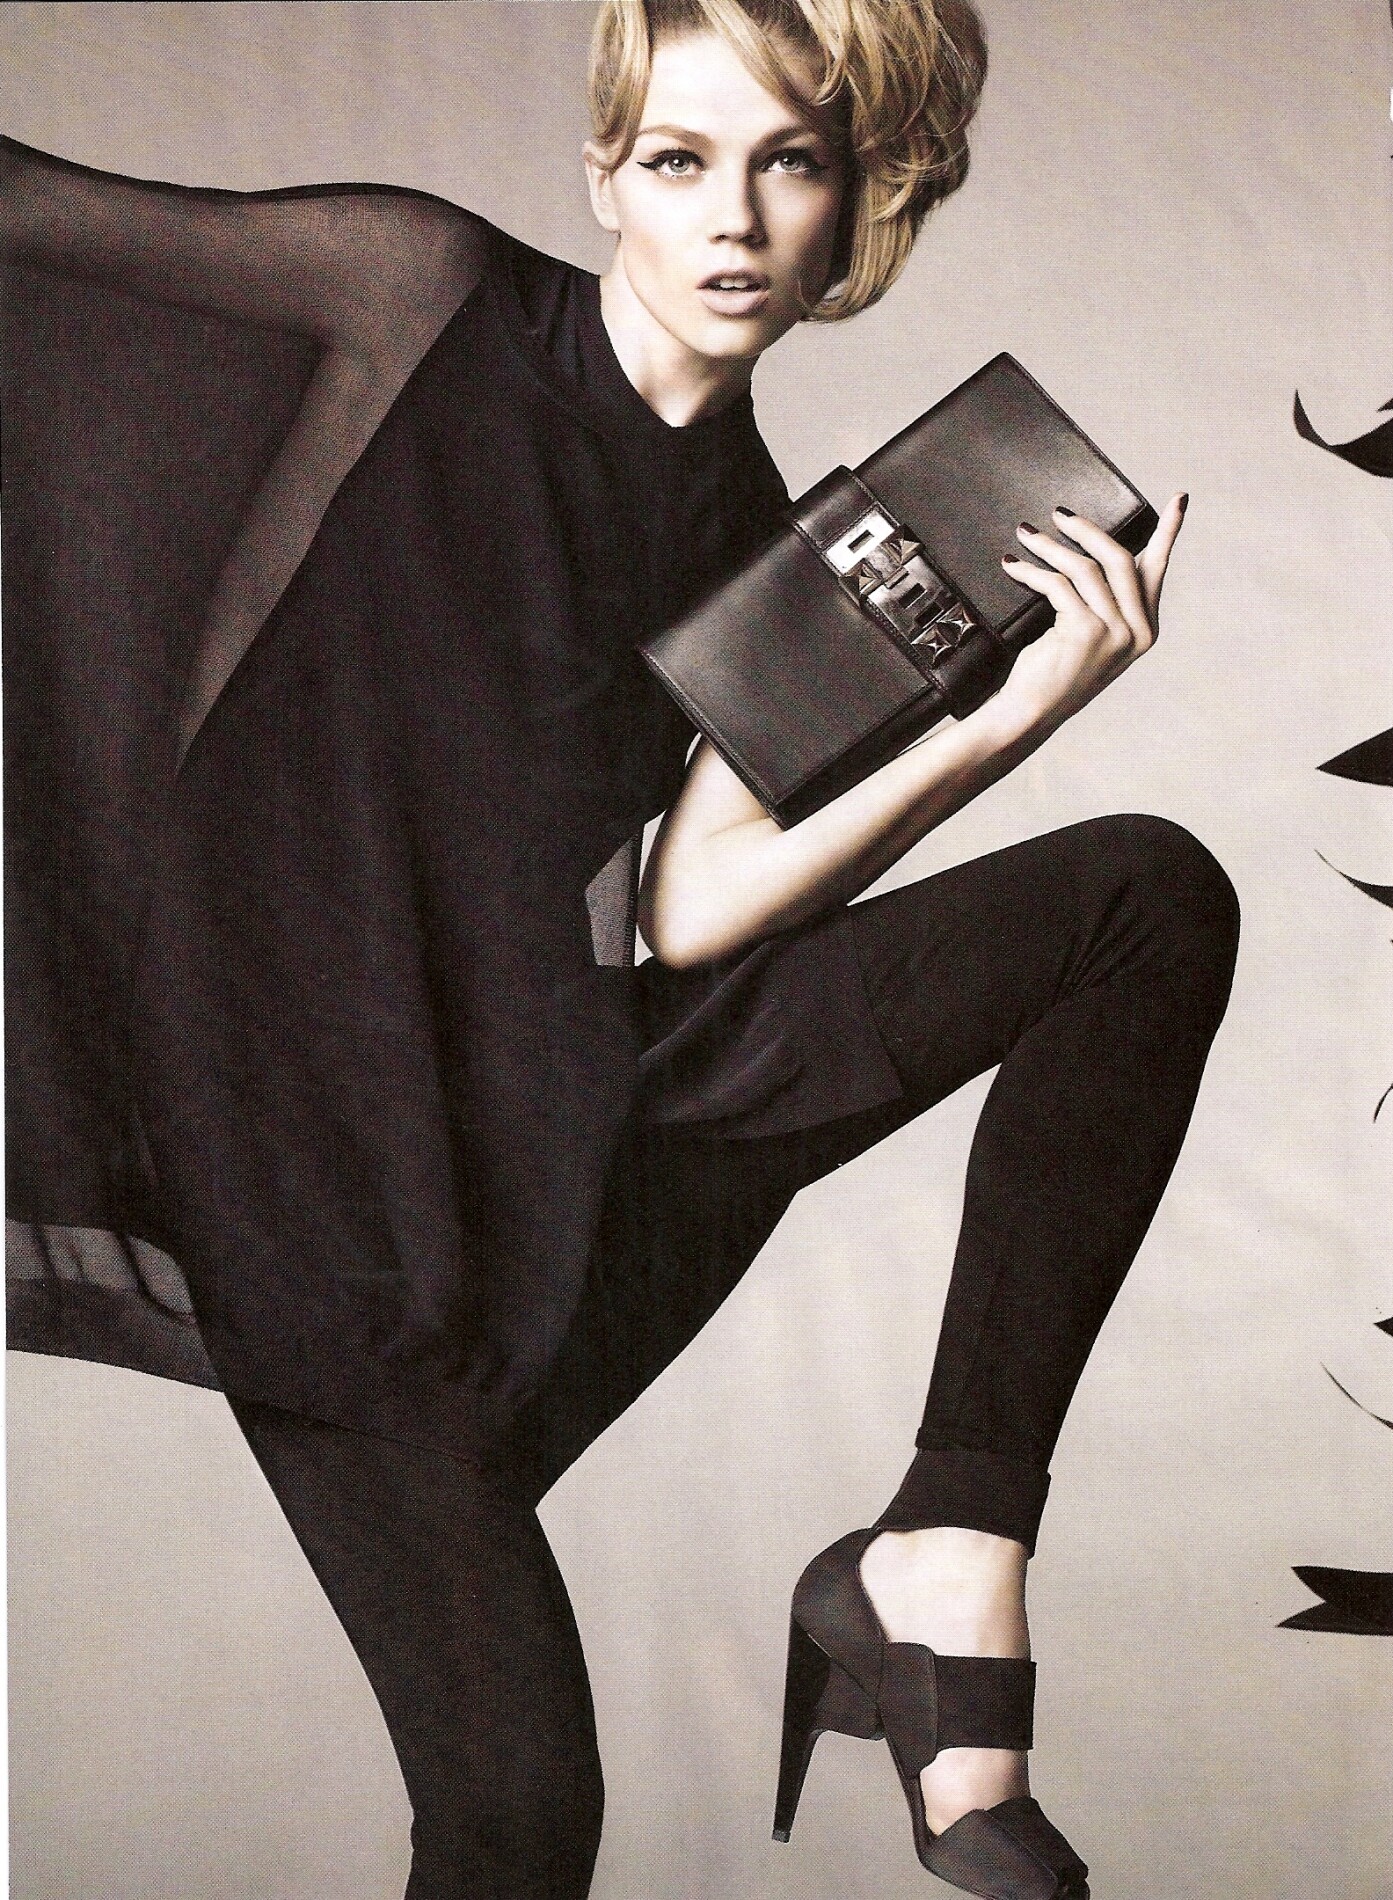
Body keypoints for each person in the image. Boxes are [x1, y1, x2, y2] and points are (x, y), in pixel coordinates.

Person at [1, 1, 1239, 1895]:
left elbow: (680, 912)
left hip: (584, 1135)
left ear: (851, 206)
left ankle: (946, 1547)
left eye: (787, 164)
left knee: (1143, 898)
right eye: (679, 159)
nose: (731, 218)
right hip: (335, 1208)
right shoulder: (416, 297)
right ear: (604, 178)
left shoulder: (765, 537)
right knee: (517, 1821)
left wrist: (999, 724)